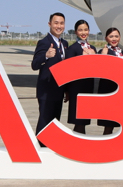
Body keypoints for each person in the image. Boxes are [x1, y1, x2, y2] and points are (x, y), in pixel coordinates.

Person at [31, 12, 68, 141]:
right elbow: (35, 65)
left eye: (61, 23)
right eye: (56, 23)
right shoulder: (44, 42)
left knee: (55, 122)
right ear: (49, 24)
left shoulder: (64, 44)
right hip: (46, 91)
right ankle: (41, 148)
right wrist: (46, 55)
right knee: (44, 122)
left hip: (59, 91)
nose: (59, 26)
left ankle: (51, 147)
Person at [64, 20, 96, 134]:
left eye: (86, 30)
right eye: (80, 30)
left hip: (88, 88)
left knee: (85, 120)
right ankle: (77, 147)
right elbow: (68, 72)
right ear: (76, 32)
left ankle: (78, 145)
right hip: (76, 89)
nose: (83, 32)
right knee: (79, 121)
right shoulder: (73, 49)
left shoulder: (92, 48)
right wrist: (67, 91)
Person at [97, 26, 123, 136]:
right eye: (111, 36)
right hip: (109, 91)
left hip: (122, 92)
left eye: (116, 36)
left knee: (120, 124)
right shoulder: (103, 51)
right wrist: (103, 55)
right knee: (108, 125)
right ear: (106, 38)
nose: (114, 39)